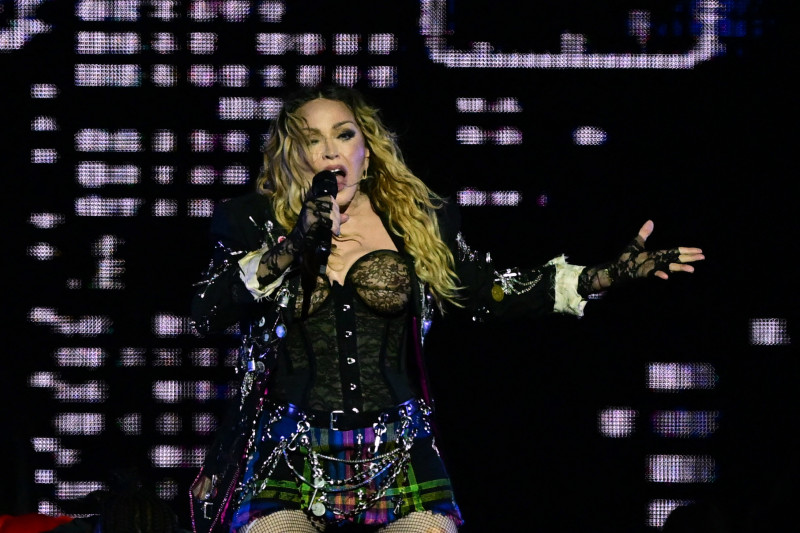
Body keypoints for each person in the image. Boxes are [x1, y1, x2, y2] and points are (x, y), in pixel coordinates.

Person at [188, 84, 704, 533]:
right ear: (291, 154)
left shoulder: (418, 221)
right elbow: (207, 311)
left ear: (367, 149)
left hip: (396, 446)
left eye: (343, 134)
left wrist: (603, 276)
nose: (329, 151)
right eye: (310, 139)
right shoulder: (250, 221)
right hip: (289, 449)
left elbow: (490, 291)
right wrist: (289, 248)